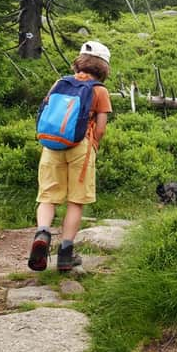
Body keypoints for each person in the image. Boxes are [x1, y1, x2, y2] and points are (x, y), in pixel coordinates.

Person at [28, 41, 113, 272]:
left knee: (48, 196)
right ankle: (65, 254)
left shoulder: (60, 82)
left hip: (51, 145)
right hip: (81, 147)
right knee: (76, 201)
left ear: (80, 61)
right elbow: (102, 128)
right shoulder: (100, 90)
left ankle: (42, 233)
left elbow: (46, 109)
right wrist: (93, 145)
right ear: (103, 66)